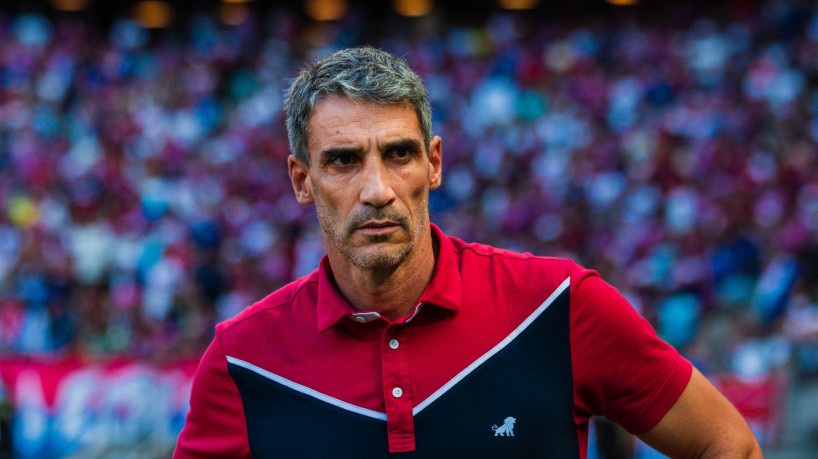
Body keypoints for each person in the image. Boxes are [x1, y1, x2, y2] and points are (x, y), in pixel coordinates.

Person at [174, 46, 762, 458]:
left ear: (433, 163)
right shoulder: (241, 361)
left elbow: (726, 444)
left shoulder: (557, 305)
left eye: (399, 155)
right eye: (344, 160)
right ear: (302, 180)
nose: (377, 190)